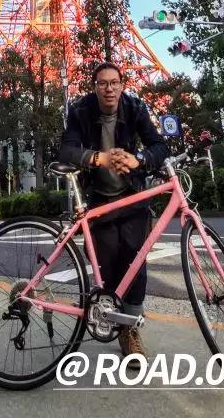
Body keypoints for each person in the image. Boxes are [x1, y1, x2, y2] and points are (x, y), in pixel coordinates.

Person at [59, 61, 169, 361]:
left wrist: (139, 161)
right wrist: (98, 159)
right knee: (107, 268)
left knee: (135, 263)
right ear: (95, 87)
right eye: (102, 83)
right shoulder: (81, 110)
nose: (109, 88)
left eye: (114, 82)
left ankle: (130, 330)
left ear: (122, 85)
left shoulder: (135, 108)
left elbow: (159, 145)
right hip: (99, 198)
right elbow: (67, 149)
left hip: (132, 196)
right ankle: (112, 316)